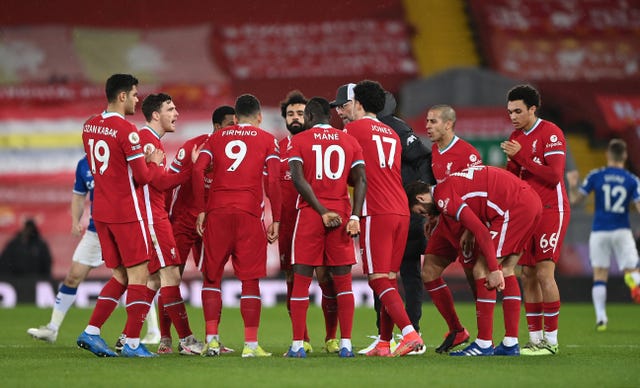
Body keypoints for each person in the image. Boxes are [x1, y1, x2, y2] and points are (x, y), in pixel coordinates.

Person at [332, 84, 433, 356]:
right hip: (401, 209)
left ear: (358, 104)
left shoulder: (352, 131)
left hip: (376, 210)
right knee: (389, 278)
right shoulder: (390, 131)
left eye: (345, 105)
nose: (342, 111)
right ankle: (385, 343)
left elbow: (342, 170)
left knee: (378, 280)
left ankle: (409, 333)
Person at [406, 165, 542, 356]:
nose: (425, 215)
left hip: (514, 207)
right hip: (529, 201)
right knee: (508, 268)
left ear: (421, 198)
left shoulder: (444, 197)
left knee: (482, 269)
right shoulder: (447, 187)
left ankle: (484, 343)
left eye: (421, 211)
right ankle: (511, 342)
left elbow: (480, 230)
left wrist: (493, 269)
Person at [27, 157, 159, 344]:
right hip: (95, 231)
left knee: (135, 277)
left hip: (120, 228)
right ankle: (52, 329)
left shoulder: (118, 157)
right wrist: (75, 220)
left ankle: (153, 330)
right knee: (73, 276)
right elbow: (79, 195)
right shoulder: (83, 164)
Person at [77, 73, 164, 357]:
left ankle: (91, 332)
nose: (138, 99)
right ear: (122, 95)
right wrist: (154, 162)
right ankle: (133, 343)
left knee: (120, 276)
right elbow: (142, 177)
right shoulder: (127, 131)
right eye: (135, 94)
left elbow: (98, 167)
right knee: (140, 275)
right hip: (127, 212)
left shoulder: (90, 125)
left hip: (100, 211)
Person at [193, 93, 281, 358]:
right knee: (250, 280)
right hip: (248, 214)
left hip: (217, 211)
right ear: (259, 116)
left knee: (212, 277)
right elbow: (274, 181)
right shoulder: (268, 139)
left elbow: (198, 170)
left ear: (235, 117)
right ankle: (251, 346)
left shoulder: (215, 138)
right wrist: (275, 218)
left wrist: (200, 210)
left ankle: (211, 340)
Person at [285, 97, 366, 358]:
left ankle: (298, 344)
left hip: (311, 214)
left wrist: (321, 211)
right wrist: (355, 216)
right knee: (343, 284)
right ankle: (346, 344)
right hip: (342, 214)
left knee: (301, 281)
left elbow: (298, 179)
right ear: (329, 117)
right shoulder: (349, 141)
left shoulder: (299, 140)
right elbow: (362, 180)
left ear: (308, 116)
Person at [131, 93, 205, 356]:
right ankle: (185, 339)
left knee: (153, 279)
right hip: (153, 217)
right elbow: (159, 183)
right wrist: (191, 171)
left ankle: (127, 337)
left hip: (150, 215)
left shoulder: (149, 140)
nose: (176, 114)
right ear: (155, 115)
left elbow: (156, 177)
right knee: (170, 276)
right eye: (171, 109)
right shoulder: (149, 142)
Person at [501, 84, 570, 356]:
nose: (513, 117)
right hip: (528, 213)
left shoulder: (551, 133)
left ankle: (551, 342)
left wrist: (520, 156)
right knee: (527, 274)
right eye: (509, 112)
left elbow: (554, 176)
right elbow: (514, 176)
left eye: (518, 111)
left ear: (533, 108)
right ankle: (535, 340)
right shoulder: (516, 136)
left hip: (552, 208)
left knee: (543, 272)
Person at [166, 105, 236, 356]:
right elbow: (166, 184)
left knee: (213, 276)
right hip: (184, 220)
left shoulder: (235, 151)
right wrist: (164, 218)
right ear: (217, 126)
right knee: (172, 276)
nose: (235, 130)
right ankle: (166, 339)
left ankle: (212, 339)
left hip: (212, 221)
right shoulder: (191, 147)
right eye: (231, 125)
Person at [278, 91, 339, 354]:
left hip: (317, 218)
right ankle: (301, 338)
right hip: (289, 224)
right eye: (290, 113)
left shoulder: (317, 145)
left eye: (300, 113)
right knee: (293, 278)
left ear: (310, 116)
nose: (295, 117)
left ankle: (331, 337)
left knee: (326, 275)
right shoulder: (277, 148)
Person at [422, 104, 483, 354]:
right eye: (427, 121)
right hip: (446, 222)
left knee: (474, 280)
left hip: (466, 224)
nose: (427, 126)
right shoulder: (435, 152)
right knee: (429, 272)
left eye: (433, 121)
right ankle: (457, 329)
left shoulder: (467, 154)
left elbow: (478, 193)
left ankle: (485, 338)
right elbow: (442, 190)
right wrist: (435, 214)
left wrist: (471, 229)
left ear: (448, 124)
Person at [568, 138, 640, 330]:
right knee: (632, 269)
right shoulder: (632, 180)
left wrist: (573, 185)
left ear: (607, 155)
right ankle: (634, 282)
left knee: (600, 275)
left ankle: (601, 318)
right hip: (622, 230)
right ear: (624, 156)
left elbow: (575, 201)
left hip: (600, 231)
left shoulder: (595, 175)